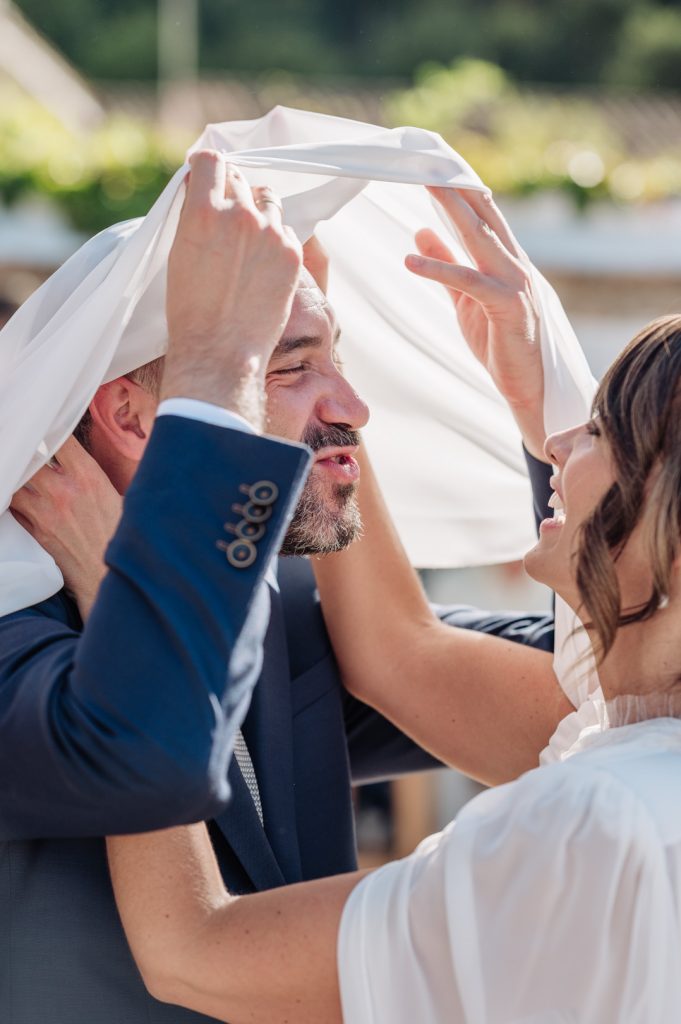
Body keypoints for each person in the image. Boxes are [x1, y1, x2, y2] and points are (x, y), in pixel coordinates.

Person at [3, 171, 563, 1020]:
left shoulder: (281, 611)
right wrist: (219, 361)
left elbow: (586, 687)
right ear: (130, 415)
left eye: (336, 357)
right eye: (293, 367)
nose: (355, 408)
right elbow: (143, 750)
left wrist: (549, 416)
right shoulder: (15, 633)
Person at [104, 265, 681, 1021]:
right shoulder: (631, 755)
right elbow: (399, 653)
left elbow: (192, 949)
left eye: (597, 429)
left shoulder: (590, 819)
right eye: (296, 367)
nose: (554, 442)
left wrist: (133, 588)